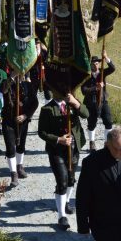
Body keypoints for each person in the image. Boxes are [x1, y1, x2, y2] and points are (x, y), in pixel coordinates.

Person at [38, 90, 89, 230]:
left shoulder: (72, 103)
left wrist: (75, 103)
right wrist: (58, 139)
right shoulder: (47, 109)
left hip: (74, 148)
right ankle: (62, 216)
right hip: (56, 151)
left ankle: (65, 202)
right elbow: (42, 132)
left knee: (71, 179)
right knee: (62, 181)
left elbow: (86, 114)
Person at [0, 74, 39, 186]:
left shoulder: (28, 85)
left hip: (23, 121)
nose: (20, 75)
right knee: (10, 148)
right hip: (8, 121)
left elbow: (35, 103)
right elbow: (3, 90)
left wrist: (26, 116)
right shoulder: (6, 82)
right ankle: (13, 174)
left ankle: (19, 167)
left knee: (21, 146)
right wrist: (13, 76)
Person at [81, 52, 116, 151]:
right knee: (91, 124)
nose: (95, 66)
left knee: (108, 121)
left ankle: (107, 143)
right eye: (93, 64)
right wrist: (96, 88)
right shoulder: (86, 74)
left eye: (97, 63)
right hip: (90, 103)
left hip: (103, 101)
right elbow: (84, 90)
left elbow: (112, 68)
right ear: (90, 65)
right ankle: (92, 143)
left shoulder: (102, 72)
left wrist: (106, 57)